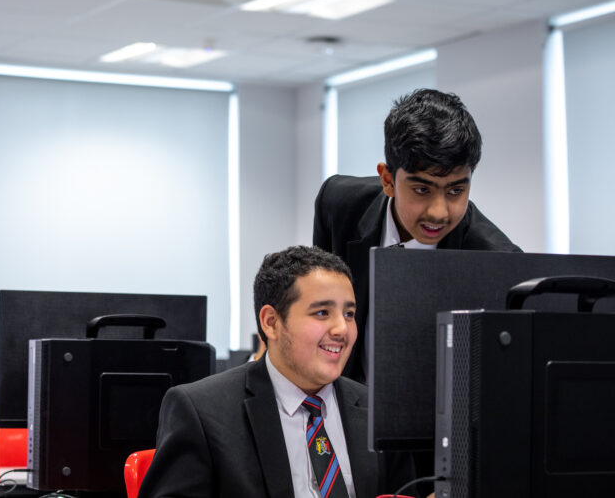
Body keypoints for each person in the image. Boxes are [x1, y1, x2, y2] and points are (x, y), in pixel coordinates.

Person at [138, 245, 419, 498]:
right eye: (322, 313)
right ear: (271, 322)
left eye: (348, 314)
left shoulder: (376, 411)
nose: (342, 329)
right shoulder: (201, 412)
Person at [313, 88, 521, 382]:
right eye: (422, 190)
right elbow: (318, 311)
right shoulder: (338, 205)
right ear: (388, 180)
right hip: (346, 408)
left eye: (455, 191)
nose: (439, 212)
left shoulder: (495, 260)